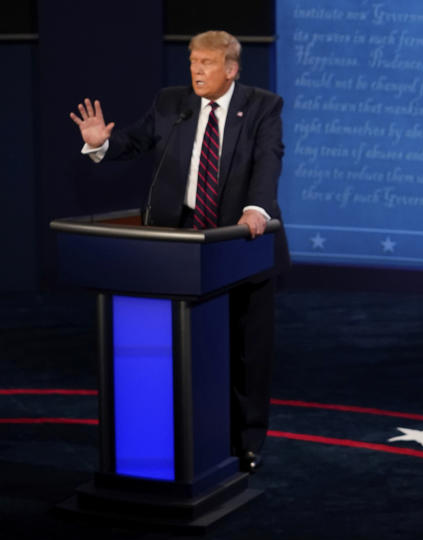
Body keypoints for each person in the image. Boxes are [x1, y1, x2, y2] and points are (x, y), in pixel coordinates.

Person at [69, 30, 289, 473]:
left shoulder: (263, 106)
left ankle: (246, 441)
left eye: (206, 63)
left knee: (247, 349)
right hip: (181, 247)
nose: (196, 70)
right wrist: (100, 143)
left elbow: (269, 160)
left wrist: (255, 209)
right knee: (185, 347)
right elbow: (132, 141)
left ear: (231, 69)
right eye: (192, 61)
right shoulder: (173, 103)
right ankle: (189, 432)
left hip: (241, 242)